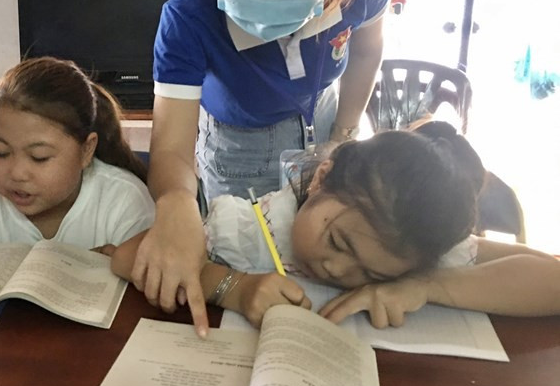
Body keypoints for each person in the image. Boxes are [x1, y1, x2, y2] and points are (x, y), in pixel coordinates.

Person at [133, 0, 391, 335]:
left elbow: (367, 51)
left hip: (326, 122)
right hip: (239, 150)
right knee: (246, 267)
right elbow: (171, 149)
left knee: (325, 265)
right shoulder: (188, 17)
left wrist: (344, 133)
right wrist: (176, 204)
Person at [109, 122, 560, 328]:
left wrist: (427, 286)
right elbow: (127, 257)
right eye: (339, 242)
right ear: (322, 179)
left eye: (374, 273)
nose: (339, 270)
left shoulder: (419, 248)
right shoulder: (243, 229)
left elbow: (551, 278)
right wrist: (233, 287)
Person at [0, 57, 154, 248]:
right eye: (1, 152)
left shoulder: (125, 203)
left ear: (86, 150)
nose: (17, 173)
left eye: (39, 157)